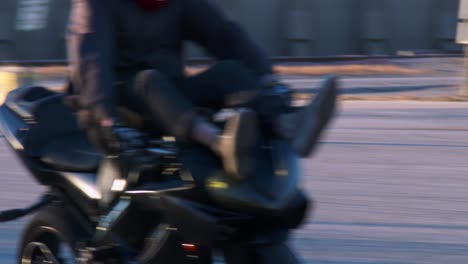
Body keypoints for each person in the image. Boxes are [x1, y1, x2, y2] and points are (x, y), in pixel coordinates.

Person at [67, 0, 337, 180]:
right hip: (117, 104)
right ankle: (220, 143)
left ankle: (289, 123)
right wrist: (105, 117)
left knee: (229, 71)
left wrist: (266, 77)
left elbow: (222, 33)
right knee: (150, 80)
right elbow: (92, 59)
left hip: (168, 96)